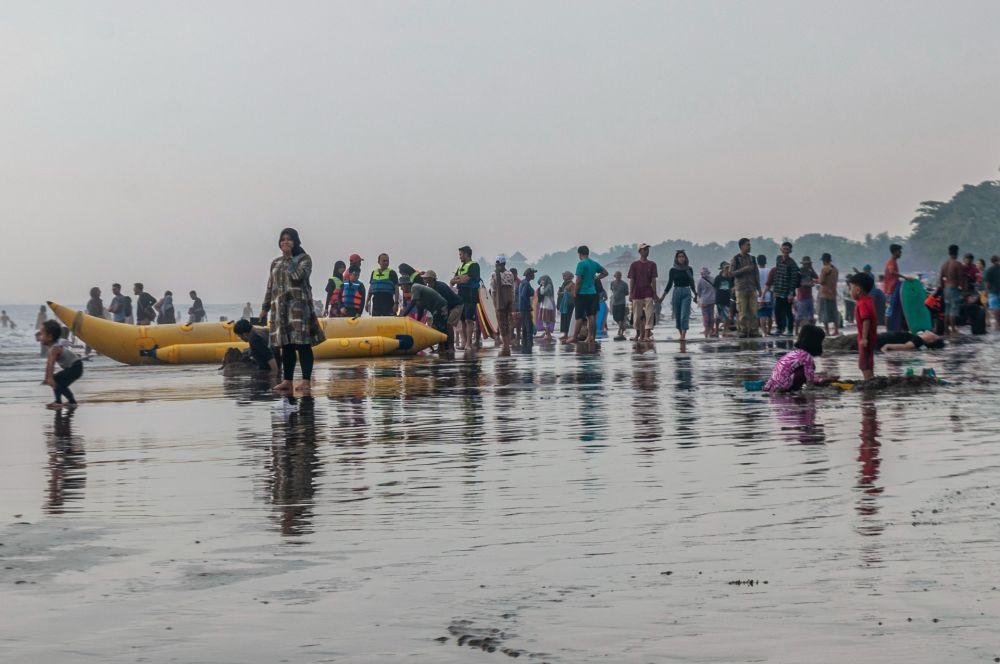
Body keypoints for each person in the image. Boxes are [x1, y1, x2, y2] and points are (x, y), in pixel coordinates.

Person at [260, 228, 326, 394]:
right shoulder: (275, 263)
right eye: (283, 240)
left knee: (302, 344)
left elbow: (298, 276)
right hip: (280, 309)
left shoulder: (304, 259)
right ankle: (287, 381)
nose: (285, 242)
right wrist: (264, 308)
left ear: (295, 242)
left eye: (289, 239)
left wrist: (289, 258)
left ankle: (305, 380)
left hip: (298, 309)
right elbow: (270, 287)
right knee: (286, 345)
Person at [763, 324, 828, 392]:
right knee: (810, 368)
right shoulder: (806, 356)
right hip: (783, 387)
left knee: (808, 369)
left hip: (771, 385)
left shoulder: (794, 352)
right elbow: (809, 379)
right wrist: (816, 386)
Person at [565, 245, 607, 345]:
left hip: (582, 293)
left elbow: (578, 280)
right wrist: (596, 278)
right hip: (592, 293)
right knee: (591, 316)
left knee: (579, 317)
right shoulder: (594, 263)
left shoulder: (581, 264)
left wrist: (575, 292)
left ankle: (574, 337)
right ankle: (591, 337)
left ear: (580, 254)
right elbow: (605, 273)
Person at [38, 319, 84, 409]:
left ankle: (68, 402)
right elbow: (48, 364)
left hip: (76, 367)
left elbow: (51, 364)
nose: (39, 336)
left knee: (58, 382)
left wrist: (50, 378)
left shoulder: (55, 348)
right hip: (74, 367)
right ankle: (65, 401)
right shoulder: (52, 348)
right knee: (57, 381)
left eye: (41, 334)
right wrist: (47, 378)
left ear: (50, 337)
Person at [659, 250, 697, 342]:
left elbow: (692, 282)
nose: (681, 258)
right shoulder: (673, 270)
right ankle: (681, 334)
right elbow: (669, 284)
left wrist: (695, 294)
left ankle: (683, 335)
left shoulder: (689, 269)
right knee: (678, 315)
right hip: (676, 292)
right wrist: (663, 296)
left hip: (686, 292)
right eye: (679, 257)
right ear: (676, 258)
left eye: (683, 256)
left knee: (684, 314)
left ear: (685, 258)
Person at [450, 246, 481, 350]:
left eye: (461, 254)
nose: (460, 256)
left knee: (469, 320)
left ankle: (469, 343)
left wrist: (457, 280)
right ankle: (463, 343)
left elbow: (466, 279)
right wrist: (457, 279)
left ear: (467, 254)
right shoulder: (461, 267)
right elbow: (454, 279)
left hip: (471, 295)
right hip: (461, 295)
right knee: (462, 320)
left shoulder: (474, 265)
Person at [423, 270, 462, 350]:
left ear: (431, 279)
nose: (425, 280)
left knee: (448, 324)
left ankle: (451, 346)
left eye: (426, 278)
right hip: (446, 307)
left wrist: (443, 314)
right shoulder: (431, 288)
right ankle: (442, 346)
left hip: (456, 306)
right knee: (439, 325)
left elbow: (445, 302)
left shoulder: (440, 287)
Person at [627, 243, 658, 341]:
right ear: (639, 251)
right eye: (644, 250)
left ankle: (646, 335)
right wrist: (631, 293)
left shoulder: (652, 264)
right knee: (637, 316)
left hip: (648, 292)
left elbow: (653, 280)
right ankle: (638, 334)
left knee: (649, 314)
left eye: (647, 249)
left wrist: (654, 293)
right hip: (637, 293)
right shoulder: (634, 265)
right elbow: (632, 279)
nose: (646, 251)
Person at [849, 272, 877, 380]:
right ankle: (871, 379)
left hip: (866, 338)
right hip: (871, 337)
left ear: (858, 290)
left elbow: (866, 320)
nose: (850, 291)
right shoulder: (869, 300)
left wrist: (864, 338)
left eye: (851, 288)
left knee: (863, 364)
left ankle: (868, 383)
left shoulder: (862, 303)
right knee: (869, 362)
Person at [731, 238, 760, 337]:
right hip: (741, 288)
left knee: (754, 311)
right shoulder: (735, 259)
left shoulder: (752, 259)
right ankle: (743, 331)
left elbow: (756, 273)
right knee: (742, 312)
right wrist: (744, 269)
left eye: (749, 245)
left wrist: (759, 288)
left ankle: (753, 330)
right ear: (742, 246)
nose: (749, 246)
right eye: (747, 245)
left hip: (752, 287)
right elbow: (731, 273)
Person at [771, 242, 800, 336]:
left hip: (787, 291)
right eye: (784, 248)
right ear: (781, 249)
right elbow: (777, 275)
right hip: (778, 290)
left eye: (787, 249)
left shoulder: (792, 263)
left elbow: (794, 279)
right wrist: (775, 290)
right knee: (777, 310)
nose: (785, 250)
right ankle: (779, 328)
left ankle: (790, 330)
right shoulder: (778, 259)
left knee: (788, 311)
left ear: (790, 251)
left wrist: (791, 293)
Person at [490, 255, 516, 353]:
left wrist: (494, 302)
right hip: (509, 300)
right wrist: (512, 302)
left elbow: (493, 290)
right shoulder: (510, 274)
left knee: (502, 323)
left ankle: (506, 345)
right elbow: (512, 289)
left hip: (500, 302)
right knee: (507, 323)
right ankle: (506, 344)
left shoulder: (495, 274)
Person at [939, 244, 965, 335]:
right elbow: (961, 278)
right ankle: (953, 329)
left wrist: (943, 289)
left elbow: (941, 278)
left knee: (947, 309)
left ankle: (946, 329)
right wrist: (961, 289)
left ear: (949, 253)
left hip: (946, 289)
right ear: (957, 253)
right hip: (954, 289)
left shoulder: (944, 265)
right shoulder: (957, 264)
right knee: (953, 310)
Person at [817, 253, 840, 337]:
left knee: (824, 313)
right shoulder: (835, 269)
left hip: (824, 294)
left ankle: (827, 332)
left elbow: (822, 281)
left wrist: (815, 281)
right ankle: (836, 330)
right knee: (834, 313)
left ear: (824, 260)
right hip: (833, 293)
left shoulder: (824, 268)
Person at [884, 244, 905, 332]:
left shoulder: (893, 261)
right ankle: (889, 330)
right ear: (896, 251)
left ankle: (895, 328)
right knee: (890, 310)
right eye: (900, 251)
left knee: (893, 309)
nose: (901, 253)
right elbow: (892, 271)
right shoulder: (891, 261)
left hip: (893, 288)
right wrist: (905, 277)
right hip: (891, 290)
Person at [794, 257, 817, 334]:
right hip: (801, 296)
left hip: (809, 296)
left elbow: (816, 277)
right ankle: (796, 331)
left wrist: (812, 268)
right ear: (803, 264)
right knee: (799, 315)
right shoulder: (799, 271)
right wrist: (808, 284)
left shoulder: (810, 271)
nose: (808, 265)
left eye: (809, 263)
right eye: (807, 263)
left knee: (811, 316)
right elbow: (798, 283)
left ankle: (812, 331)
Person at [713, 262, 733, 337]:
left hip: (727, 299)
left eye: (728, 268)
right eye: (726, 268)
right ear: (722, 269)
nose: (727, 270)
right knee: (718, 317)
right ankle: (716, 331)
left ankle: (725, 331)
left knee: (727, 316)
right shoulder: (718, 278)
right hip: (719, 299)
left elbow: (732, 288)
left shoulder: (730, 278)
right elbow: (715, 288)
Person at [877, 330, 945, 352]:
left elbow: (906, 346)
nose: (931, 332)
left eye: (935, 336)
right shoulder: (917, 338)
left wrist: (887, 346)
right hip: (883, 337)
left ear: (931, 341)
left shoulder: (919, 340)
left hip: (882, 340)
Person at [517, 268, 536, 348]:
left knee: (524, 326)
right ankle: (529, 343)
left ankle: (525, 343)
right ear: (529, 275)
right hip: (525, 308)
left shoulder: (523, 282)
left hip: (522, 307)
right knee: (529, 326)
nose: (534, 275)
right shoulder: (526, 284)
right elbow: (523, 295)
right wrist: (529, 306)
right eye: (532, 273)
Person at [608, 271, 629, 340]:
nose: (618, 276)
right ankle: (622, 327)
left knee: (620, 317)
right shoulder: (612, 283)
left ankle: (620, 331)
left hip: (622, 302)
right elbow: (612, 290)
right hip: (614, 303)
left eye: (619, 275)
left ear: (621, 276)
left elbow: (627, 293)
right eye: (616, 275)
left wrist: (621, 295)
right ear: (614, 276)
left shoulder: (624, 284)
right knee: (615, 317)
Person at [696, 267, 716, 337]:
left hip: (704, 301)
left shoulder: (700, 281)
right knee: (711, 315)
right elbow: (715, 288)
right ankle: (711, 328)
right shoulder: (713, 279)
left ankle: (706, 329)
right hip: (712, 300)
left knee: (705, 316)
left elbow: (699, 291)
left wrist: (700, 298)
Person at [756, 255, 773, 337]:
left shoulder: (756, 271)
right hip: (769, 295)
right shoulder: (769, 271)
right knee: (769, 315)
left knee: (762, 315)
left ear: (757, 262)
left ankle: (764, 333)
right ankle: (769, 331)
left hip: (759, 296)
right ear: (765, 261)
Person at [535, 275, 557, 340]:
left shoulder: (548, 286)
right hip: (545, 304)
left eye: (543, 280)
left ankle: (548, 334)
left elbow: (543, 293)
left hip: (547, 304)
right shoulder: (547, 286)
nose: (541, 282)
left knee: (546, 319)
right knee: (544, 319)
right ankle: (547, 333)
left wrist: (542, 287)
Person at [557, 271, 576, 341]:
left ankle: (568, 334)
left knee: (568, 319)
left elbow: (573, 294)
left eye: (565, 275)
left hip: (569, 304)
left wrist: (562, 293)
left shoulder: (572, 284)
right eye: (563, 275)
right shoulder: (563, 284)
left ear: (570, 277)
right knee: (564, 319)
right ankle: (565, 334)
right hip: (564, 304)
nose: (563, 277)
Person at [985, 255, 1000, 331]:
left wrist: (986, 293)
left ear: (991, 261)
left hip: (993, 292)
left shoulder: (989, 270)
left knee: (995, 308)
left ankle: (998, 323)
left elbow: (987, 283)